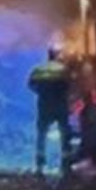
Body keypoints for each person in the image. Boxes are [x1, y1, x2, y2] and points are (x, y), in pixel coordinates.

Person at [28, 46, 72, 174]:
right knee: (64, 132)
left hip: (44, 105)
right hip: (60, 105)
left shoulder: (39, 69)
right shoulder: (63, 69)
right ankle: (66, 162)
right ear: (57, 56)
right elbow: (69, 85)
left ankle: (40, 162)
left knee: (41, 133)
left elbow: (31, 85)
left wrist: (41, 92)